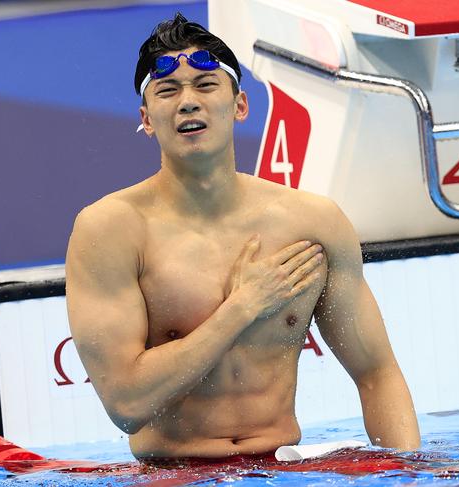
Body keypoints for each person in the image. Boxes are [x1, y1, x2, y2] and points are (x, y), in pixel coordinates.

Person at [65, 13, 420, 459]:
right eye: (168, 91)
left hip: (284, 467)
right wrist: (242, 307)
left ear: (240, 106)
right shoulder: (110, 229)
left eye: (206, 85)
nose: (188, 102)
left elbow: (377, 374)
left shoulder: (313, 223)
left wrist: (408, 470)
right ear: (147, 118)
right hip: (173, 473)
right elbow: (127, 404)